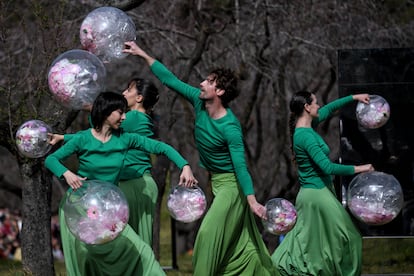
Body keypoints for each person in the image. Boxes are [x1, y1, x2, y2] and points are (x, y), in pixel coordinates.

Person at [123, 41, 279, 276]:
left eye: (208, 81)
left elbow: (241, 167)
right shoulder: (199, 101)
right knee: (241, 245)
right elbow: (170, 80)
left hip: (232, 187)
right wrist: (142, 53)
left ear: (220, 92)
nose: (201, 83)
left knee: (206, 234)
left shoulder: (230, 127)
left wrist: (252, 200)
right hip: (215, 182)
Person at [45, 91, 198, 276]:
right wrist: (67, 174)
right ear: (105, 112)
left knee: (143, 252)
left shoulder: (125, 138)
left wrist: (185, 166)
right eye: (120, 112)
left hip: (110, 208)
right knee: (87, 259)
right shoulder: (82, 139)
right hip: (80, 208)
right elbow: (51, 160)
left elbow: (160, 147)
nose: (125, 117)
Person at [271, 91, 374, 275]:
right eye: (315, 103)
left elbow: (328, 109)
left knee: (318, 241)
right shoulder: (305, 136)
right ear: (307, 107)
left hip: (318, 192)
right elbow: (326, 167)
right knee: (350, 236)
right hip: (316, 195)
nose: (319, 106)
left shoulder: (307, 126)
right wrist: (359, 168)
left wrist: (353, 98)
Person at [52, 79, 161, 246]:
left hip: (133, 183)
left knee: (125, 241)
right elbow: (95, 135)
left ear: (139, 98)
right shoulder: (141, 118)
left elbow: (97, 130)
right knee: (134, 239)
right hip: (138, 181)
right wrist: (64, 137)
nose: (124, 93)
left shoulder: (132, 117)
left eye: (128, 90)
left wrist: (90, 105)